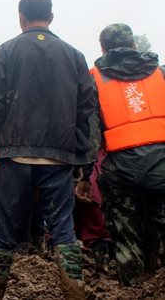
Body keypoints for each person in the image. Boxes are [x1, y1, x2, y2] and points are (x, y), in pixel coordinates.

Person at [0, 0, 97, 299]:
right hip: (59, 157)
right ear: (51, 18)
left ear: (21, 18)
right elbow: (85, 111)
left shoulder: (8, 51)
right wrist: (81, 162)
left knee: (6, 226)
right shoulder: (74, 55)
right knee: (62, 227)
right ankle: (74, 292)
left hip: (16, 155)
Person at [85, 23, 165, 286]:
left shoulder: (94, 78)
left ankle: (133, 289)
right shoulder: (161, 74)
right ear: (134, 45)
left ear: (103, 49)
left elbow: (90, 133)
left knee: (126, 237)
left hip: (122, 173)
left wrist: (85, 176)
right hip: (163, 167)